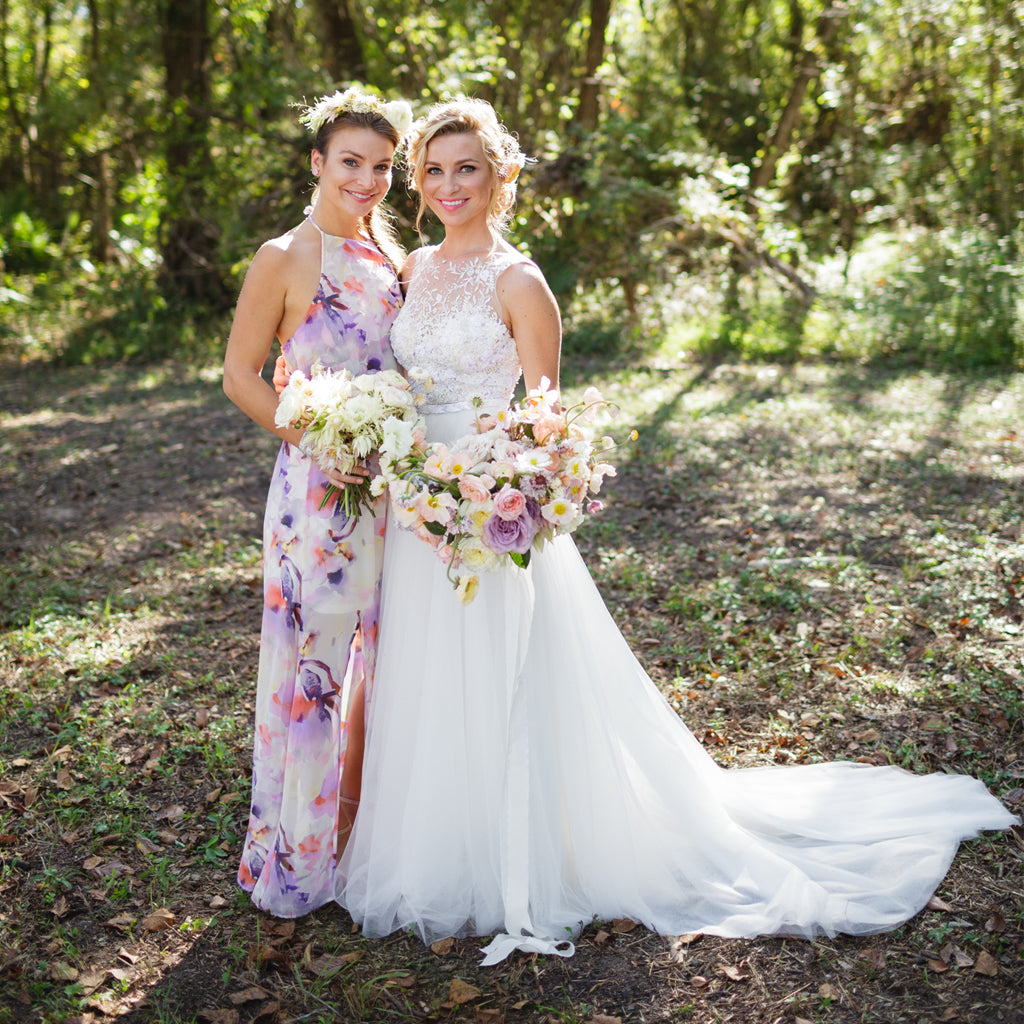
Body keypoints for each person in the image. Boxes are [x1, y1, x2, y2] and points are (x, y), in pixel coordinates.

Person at [333, 97, 1017, 965]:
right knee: (427, 674)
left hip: (484, 510)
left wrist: (489, 487)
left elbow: (545, 422)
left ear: (501, 175)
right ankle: (435, 837)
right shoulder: (417, 265)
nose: (447, 184)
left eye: (466, 167)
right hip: (414, 505)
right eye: (432, 169)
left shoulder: (520, 281)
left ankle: (528, 850)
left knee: (500, 672)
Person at [223, 87, 411, 918]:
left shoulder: (388, 257)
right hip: (320, 499)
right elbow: (240, 377)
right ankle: (299, 860)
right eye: (351, 163)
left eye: (381, 167)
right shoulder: (286, 255)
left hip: (397, 494)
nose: (367, 180)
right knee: (317, 671)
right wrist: (320, 439)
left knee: (385, 667)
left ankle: (365, 837)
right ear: (317, 162)